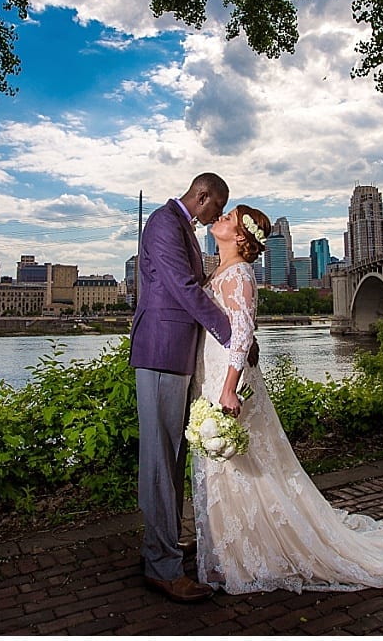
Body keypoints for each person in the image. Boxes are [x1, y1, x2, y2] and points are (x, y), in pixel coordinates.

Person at [190, 204, 383, 594]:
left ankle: (245, 553)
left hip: (228, 378)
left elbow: (242, 336)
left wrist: (229, 387)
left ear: (240, 237)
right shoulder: (221, 271)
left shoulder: (240, 275)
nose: (219, 219)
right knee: (229, 465)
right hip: (212, 371)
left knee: (241, 462)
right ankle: (231, 549)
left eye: (228, 218)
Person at [129, 172, 239, 604]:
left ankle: (164, 545)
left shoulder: (182, 228)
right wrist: (230, 333)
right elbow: (183, 286)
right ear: (203, 196)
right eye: (217, 207)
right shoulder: (163, 223)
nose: (217, 216)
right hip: (159, 351)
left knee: (171, 456)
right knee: (159, 459)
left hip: (176, 353)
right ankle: (162, 568)